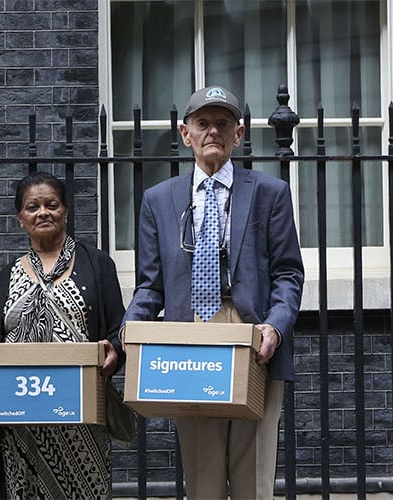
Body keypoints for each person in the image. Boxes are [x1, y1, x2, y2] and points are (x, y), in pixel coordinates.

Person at [125, 85, 303, 499]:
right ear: (185, 133)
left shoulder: (269, 193)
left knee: (253, 475)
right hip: (189, 340)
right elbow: (150, 285)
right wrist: (130, 332)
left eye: (223, 123)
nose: (213, 132)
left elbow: (288, 274)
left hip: (252, 336)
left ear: (238, 134)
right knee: (202, 478)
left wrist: (275, 328)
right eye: (203, 123)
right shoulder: (158, 200)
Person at [0, 171, 125, 498]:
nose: (42, 212)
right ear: (20, 219)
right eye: (32, 207)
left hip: (81, 415)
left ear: (66, 212)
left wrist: (114, 351)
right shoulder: (5, 278)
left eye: (52, 204)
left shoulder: (98, 264)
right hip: (22, 416)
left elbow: (118, 329)